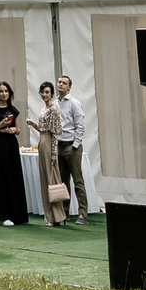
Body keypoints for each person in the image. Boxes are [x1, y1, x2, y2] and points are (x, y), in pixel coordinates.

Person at [0, 81, 28, 227]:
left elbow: (18, 129)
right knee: (1, 178)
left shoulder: (13, 110)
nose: (4, 94)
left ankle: (17, 214)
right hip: (0, 144)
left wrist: (15, 130)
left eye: (6, 91)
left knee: (14, 176)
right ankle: (3, 216)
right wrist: (0, 126)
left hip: (12, 144)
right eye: (1, 91)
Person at [54, 73, 91, 223]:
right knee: (63, 182)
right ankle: (65, 213)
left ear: (69, 87)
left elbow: (80, 126)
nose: (60, 84)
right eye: (59, 82)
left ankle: (82, 213)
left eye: (64, 83)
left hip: (71, 146)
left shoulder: (74, 103)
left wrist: (75, 145)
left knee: (77, 180)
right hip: (59, 145)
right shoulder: (55, 104)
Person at [34, 81, 67, 227]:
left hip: (48, 143)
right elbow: (44, 129)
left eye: (47, 92)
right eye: (42, 92)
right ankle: (49, 216)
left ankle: (56, 216)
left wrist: (54, 153)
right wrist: (34, 125)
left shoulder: (53, 109)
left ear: (52, 94)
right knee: (45, 179)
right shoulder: (44, 108)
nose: (44, 95)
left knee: (51, 178)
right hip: (42, 141)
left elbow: (55, 132)